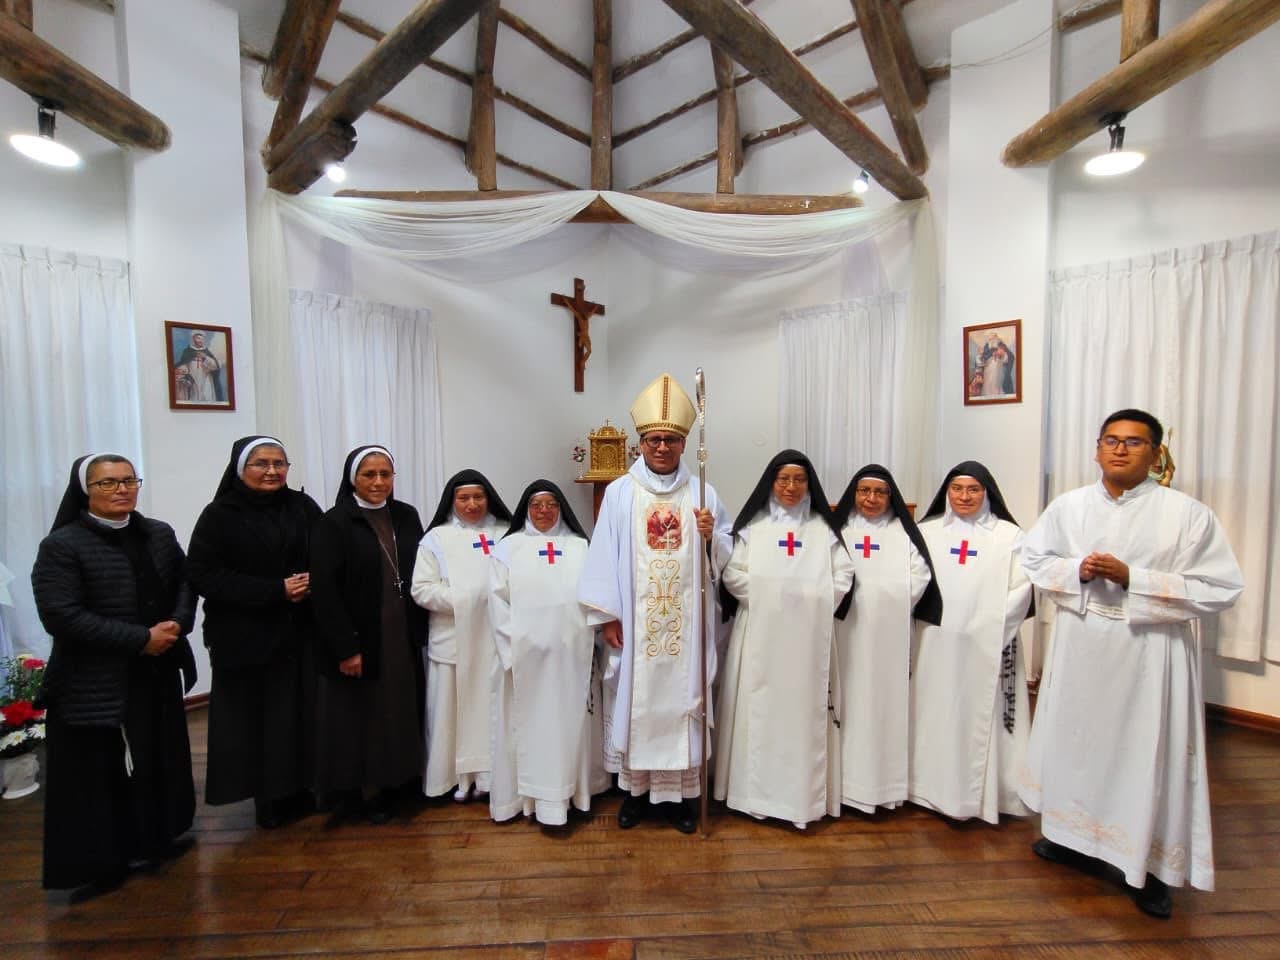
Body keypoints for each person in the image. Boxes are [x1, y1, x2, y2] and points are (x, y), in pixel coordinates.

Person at [1019, 409, 1243, 918]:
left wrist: (1134, 578)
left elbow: (1222, 587)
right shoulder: (1069, 507)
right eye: (1111, 440)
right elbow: (1034, 559)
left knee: (1146, 754)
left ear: (1155, 453)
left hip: (1150, 652)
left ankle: (1149, 866)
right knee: (1078, 744)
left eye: (1134, 442)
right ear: (1097, 448)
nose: (1120, 449)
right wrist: (1078, 569)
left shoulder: (1187, 515)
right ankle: (1073, 839)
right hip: (1081, 646)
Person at [31, 453, 197, 896]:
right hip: (95, 681)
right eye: (107, 483)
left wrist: (177, 624)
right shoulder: (62, 546)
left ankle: (156, 839)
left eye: (128, 480)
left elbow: (186, 582)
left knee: (157, 758)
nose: (121, 489)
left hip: (157, 671)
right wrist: (140, 638)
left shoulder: (158, 533)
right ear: (85, 491)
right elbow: (61, 615)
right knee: (102, 773)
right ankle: (104, 862)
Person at [579, 373, 733, 834]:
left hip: (686, 628)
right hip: (636, 625)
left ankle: (680, 799)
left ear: (684, 443)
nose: (662, 447)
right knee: (636, 705)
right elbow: (603, 555)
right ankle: (636, 795)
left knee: (684, 703)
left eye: (670, 439)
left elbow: (725, 554)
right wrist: (608, 617)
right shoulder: (621, 493)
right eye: (653, 440)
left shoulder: (703, 493)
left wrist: (711, 538)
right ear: (641, 444)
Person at [187, 436, 321, 828]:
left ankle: (304, 788)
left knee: (298, 715)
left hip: (300, 632)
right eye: (261, 463)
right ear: (240, 469)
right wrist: (276, 590)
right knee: (258, 722)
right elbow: (203, 575)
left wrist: (316, 579)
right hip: (245, 636)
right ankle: (269, 799)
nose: (272, 471)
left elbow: (327, 552)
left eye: (279, 463)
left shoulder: (303, 507)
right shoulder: (218, 515)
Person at [715, 451, 854, 829]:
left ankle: (801, 800)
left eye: (799, 480)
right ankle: (752, 796)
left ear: (809, 485)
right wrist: (775, 598)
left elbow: (843, 575)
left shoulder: (823, 531)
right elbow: (732, 574)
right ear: (771, 483)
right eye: (783, 480)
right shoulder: (753, 528)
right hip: (760, 632)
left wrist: (809, 601)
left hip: (808, 638)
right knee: (757, 712)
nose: (791, 487)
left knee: (803, 716)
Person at [909, 461, 1032, 823]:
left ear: (986, 493)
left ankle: (986, 797)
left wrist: (987, 629)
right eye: (957, 489)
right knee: (933, 712)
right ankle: (925, 788)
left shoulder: (1011, 536)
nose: (964, 496)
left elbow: (1022, 589)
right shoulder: (927, 532)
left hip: (988, 644)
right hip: (935, 644)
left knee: (979, 718)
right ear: (947, 492)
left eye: (973, 490)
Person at [309, 446, 426, 824]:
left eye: (385, 474)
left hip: (400, 632)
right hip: (362, 635)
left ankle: (403, 780)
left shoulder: (406, 515)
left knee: (401, 708)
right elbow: (324, 591)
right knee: (364, 716)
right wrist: (346, 647)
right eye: (369, 475)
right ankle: (368, 790)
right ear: (352, 479)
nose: (378, 482)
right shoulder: (334, 523)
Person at [488, 480, 608, 826]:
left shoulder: (580, 547)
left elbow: (595, 594)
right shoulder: (507, 548)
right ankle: (529, 798)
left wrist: (593, 638)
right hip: (526, 659)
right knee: (530, 727)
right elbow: (497, 602)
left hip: (573, 657)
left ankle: (577, 792)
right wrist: (514, 648)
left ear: (561, 509)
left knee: (570, 724)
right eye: (537, 505)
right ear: (526, 509)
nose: (544, 511)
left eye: (552, 504)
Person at [831, 464, 941, 813]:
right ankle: (840, 785)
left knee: (883, 707)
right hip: (845, 633)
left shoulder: (903, 534)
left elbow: (920, 575)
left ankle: (883, 787)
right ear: (854, 494)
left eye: (880, 492)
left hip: (888, 638)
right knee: (846, 704)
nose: (871, 499)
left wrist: (885, 604)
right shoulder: (839, 531)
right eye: (864, 491)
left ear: (890, 497)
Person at [411, 470, 512, 801]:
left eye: (478, 497)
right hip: (453, 640)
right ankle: (450, 779)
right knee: (449, 715)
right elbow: (422, 589)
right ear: (452, 501)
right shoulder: (436, 538)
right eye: (464, 498)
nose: (472, 504)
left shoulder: (505, 534)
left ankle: (492, 777)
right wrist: (468, 598)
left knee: (492, 710)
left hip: (495, 640)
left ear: (488, 498)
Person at [174, 330, 224, 403]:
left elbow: (215, 366)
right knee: (193, 396)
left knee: (206, 395)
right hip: (192, 377)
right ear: (194, 339)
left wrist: (205, 357)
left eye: (201, 339)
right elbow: (183, 364)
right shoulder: (187, 351)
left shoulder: (207, 352)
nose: (200, 341)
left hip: (205, 378)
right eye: (198, 338)